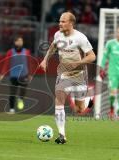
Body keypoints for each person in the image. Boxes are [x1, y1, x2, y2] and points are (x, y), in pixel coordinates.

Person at [40, 12, 96, 144]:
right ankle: (62, 135)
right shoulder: (57, 35)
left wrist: (78, 63)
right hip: (64, 74)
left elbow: (92, 56)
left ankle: (90, 99)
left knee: (79, 110)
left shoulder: (80, 37)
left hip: (79, 75)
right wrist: (45, 60)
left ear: (71, 23)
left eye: (63, 21)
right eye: (59, 21)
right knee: (59, 101)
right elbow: (53, 46)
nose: (60, 23)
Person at [0, 36, 31, 113]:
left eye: (21, 41)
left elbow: (29, 63)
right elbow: (6, 63)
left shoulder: (27, 52)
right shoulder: (10, 52)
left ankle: (20, 99)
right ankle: (12, 109)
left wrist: (30, 74)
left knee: (23, 89)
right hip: (14, 75)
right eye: (18, 41)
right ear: (15, 42)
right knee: (12, 93)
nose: (20, 42)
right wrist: (2, 74)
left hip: (24, 75)